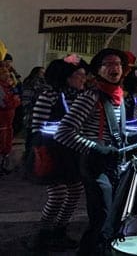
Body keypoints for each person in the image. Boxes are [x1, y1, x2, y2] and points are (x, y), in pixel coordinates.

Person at [55, 48, 129, 256]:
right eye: (108, 64)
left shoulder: (119, 97)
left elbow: (115, 132)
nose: (114, 67)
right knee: (101, 216)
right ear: (98, 70)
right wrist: (96, 147)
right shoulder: (90, 97)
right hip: (95, 165)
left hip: (114, 164)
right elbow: (64, 132)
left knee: (113, 215)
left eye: (118, 64)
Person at [27, 56, 87, 252]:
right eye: (79, 75)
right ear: (66, 77)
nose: (83, 80)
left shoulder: (78, 96)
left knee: (76, 191)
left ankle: (59, 230)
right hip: (50, 151)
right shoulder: (49, 95)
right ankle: (42, 234)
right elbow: (37, 127)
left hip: (70, 151)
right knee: (58, 194)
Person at [0, 64, 20, 174]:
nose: (7, 74)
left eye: (7, 72)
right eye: (3, 72)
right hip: (2, 122)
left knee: (6, 144)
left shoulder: (8, 87)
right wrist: (15, 100)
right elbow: (5, 104)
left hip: (7, 123)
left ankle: (4, 165)